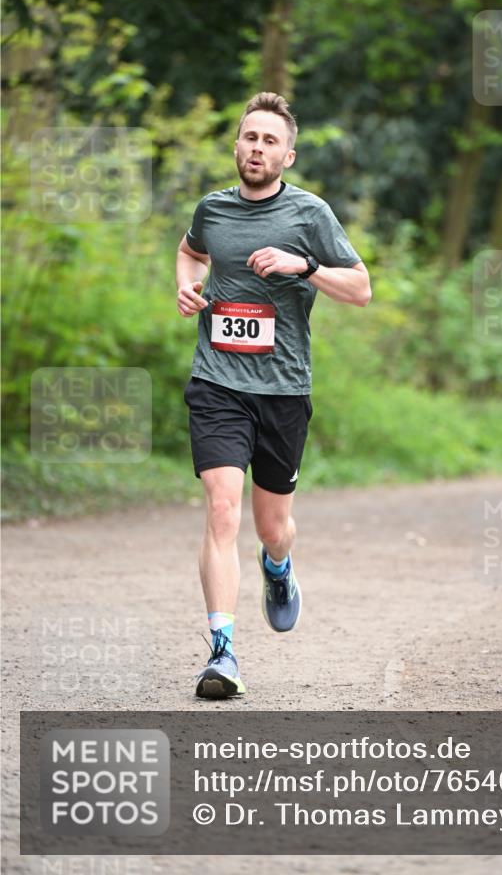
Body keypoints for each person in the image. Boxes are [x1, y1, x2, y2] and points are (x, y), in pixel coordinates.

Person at [176, 92, 371, 698]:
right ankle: (223, 652)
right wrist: (187, 288)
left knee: (272, 527)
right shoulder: (213, 209)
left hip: (283, 391)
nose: (256, 149)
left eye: (269, 141)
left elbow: (361, 288)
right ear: (236, 145)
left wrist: (303, 267)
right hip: (217, 382)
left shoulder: (310, 215)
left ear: (287, 155)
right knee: (221, 509)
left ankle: (278, 567)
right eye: (249, 137)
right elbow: (189, 251)